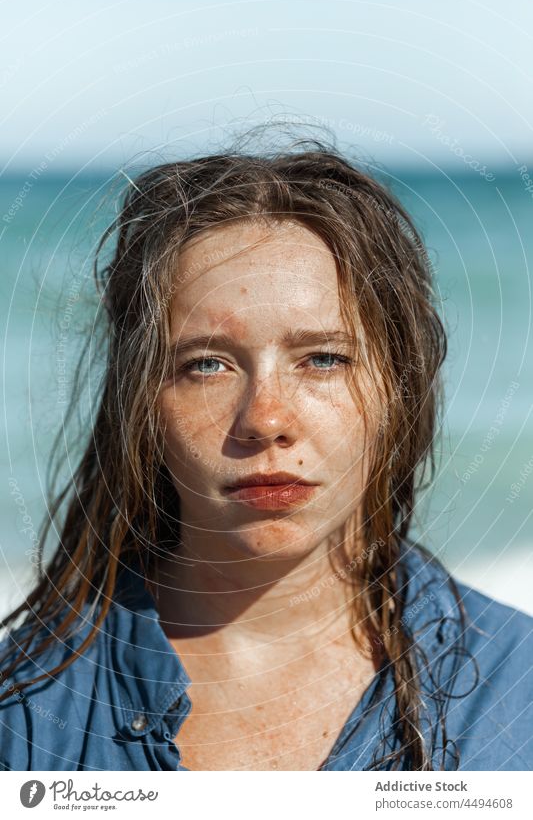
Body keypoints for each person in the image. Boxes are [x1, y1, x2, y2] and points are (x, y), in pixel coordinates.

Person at [0, 136, 531, 772]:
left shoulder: (513, 695)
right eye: (207, 365)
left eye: (324, 359)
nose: (266, 421)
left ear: (400, 389)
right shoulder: (27, 721)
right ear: (140, 401)